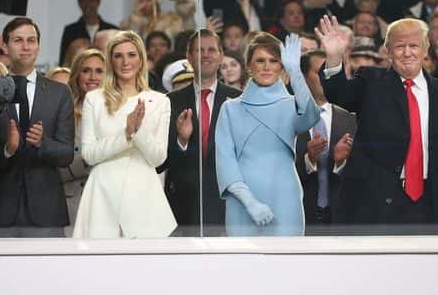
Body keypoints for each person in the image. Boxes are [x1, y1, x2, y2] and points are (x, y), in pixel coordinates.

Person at [316, 15, 438, 233]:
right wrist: (334, 57)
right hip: (377, 207)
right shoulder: (371, 81)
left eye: (414, 46)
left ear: (426, 49)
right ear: (387, 52)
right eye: (399, 46)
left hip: (434, 207)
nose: (407, 53)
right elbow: (340, 94)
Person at [73, 31, 176, 238]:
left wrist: (138, 132)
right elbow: (89, 155)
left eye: (131, 55)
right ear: (111, 61)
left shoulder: (159, 101)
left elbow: (158, 158)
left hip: (143, 196)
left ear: (141, 59)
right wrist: (126, 134)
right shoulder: (95, 99)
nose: (125, 62)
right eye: (118, 56)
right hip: (101, 196)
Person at [0, 17, 75, 237]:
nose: (25, 46)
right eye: (18, 40)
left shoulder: (60, 93)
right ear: (5, 46)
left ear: (38, 46)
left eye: (31, 40)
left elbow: (67, 153)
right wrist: (6, 150)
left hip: (46, 211)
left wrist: (43, 143)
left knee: (50, 273)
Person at [215, 33, 320, 236]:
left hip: (284, 195)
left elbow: (310, 117)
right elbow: (225, 162)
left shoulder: (292, 105)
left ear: (282, 66)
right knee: (243, 265)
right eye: (260, 60)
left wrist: (296, 73)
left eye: (274, 61)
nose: (266, 67)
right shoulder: (230, 109)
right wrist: (250, 202)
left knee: (286, 263)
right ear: (249, 65)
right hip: (242, 201)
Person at [161, 29, 241, 236]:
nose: (205, 55)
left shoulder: (238, 100)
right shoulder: (170, 101)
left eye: (211, 50)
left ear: (221, 55)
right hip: (183, 208)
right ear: (188, 57)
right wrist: (181, 140)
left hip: (228, 206)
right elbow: (160, 162)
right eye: (199, 50)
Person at [296, 50, 356, 233]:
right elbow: (277, 171)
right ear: (303, 77)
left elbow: (362, 175)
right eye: (318, 72)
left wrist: (341, 162)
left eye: (329, 73)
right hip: (299, 217)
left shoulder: (351, 119)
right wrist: (309, 159)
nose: (324, 78)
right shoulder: (289, 117)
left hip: (341, 219)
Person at [63, 49, 105, 235]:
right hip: (72, 202)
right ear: (76, 74)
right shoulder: (63, 112)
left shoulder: (120, 111)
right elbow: (55, 163)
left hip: (108, 199)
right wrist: (89, 159)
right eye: (86, 70)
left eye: (99, 71)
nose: (92, 77)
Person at [59, 0, 118, 66]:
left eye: (91, 0)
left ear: (98, 2)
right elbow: (63, 62)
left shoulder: (112, 30)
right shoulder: (70, 30)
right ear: (79, 3)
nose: (87, 4)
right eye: (83, 1)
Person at [121, 0, 195, 43]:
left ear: (155, 1)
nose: (145, 4)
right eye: (141, 1)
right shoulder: (128, 24)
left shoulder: (169, 20)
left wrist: (181, 2)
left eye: (148, 0)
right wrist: (136, 23)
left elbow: (187, 32)